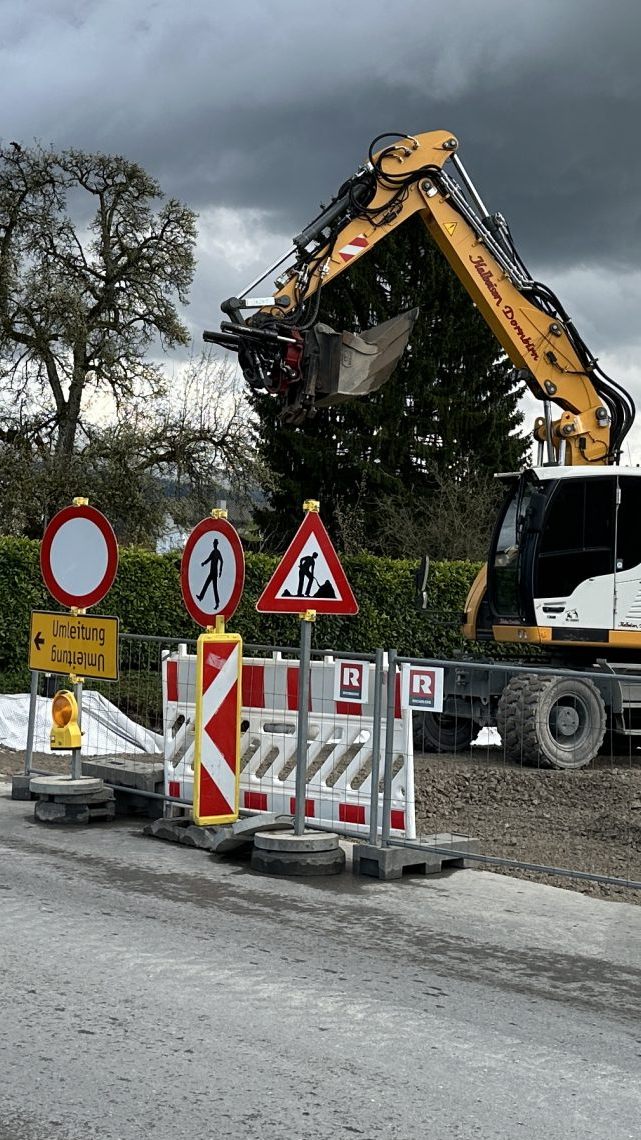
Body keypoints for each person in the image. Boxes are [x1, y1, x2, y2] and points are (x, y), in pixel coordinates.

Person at [197, 539, 224, 608]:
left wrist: (220, 571)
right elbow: (209, 559)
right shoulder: (213, 552)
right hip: (211, 572)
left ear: (216, 544)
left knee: (215, 588)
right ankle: (201, 597)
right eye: (213, 543)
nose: (213, 544)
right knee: (206, 584)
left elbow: (222, 561)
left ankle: (217, 603)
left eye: (214, 543)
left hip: (214, 573)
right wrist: (204, 563)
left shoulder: (218, 552)